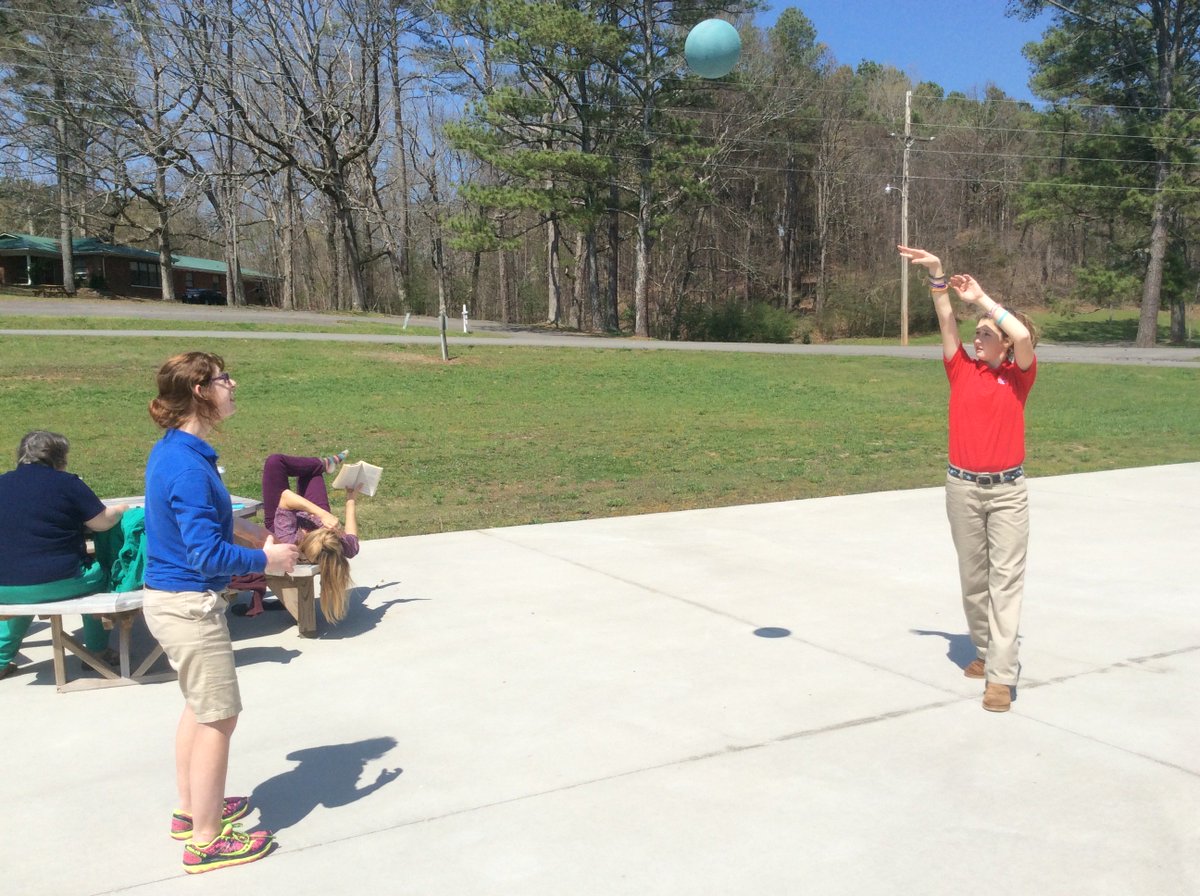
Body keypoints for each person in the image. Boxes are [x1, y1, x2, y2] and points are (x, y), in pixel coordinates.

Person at [142, 351, 299, 874]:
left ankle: (193, 811)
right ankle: (207, 841)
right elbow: (203, 554)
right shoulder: (187, 464)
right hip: (189, 605)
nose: (233, 384)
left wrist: (251, 531)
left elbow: (205, 525)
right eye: (224, 378)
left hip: (174, 602)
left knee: (198, 707)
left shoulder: (179, 451)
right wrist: (266, 557)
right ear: (200, 391)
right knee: (219, 716)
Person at [897, 245, 1038, 714]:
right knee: (974, 580)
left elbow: (1020, 334)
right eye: (976, 333)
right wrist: (938, 276)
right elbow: (944, 320)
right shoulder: (962, 370)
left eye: (984, 334)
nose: (977, 338)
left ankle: (1000, 676)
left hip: (1007, 492)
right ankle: (984, 649)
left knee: (1007, 582)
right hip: (961, 488)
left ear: (1004, 342)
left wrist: (984, 302)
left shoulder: (1019, 376)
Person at [0, 431, 127, 680]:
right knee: (100, 574)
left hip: (4, 587)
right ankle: (97, 651)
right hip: (61, 581)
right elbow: (101, 522)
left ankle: (2, 658)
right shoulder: (67, 483)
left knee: (22, 582)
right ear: (59, 457)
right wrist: (120, 510)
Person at [258, 452, 359, 625]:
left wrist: (322, 514)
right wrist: (351, 498)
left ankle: (323, 464)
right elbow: (353, 542)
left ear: (306, 537)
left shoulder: (288, 539)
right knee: (312, 473)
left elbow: (286, 498)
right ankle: (324, 465)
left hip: (282, 516)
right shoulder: (334, 545)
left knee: (275, 462)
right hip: (310, 516)